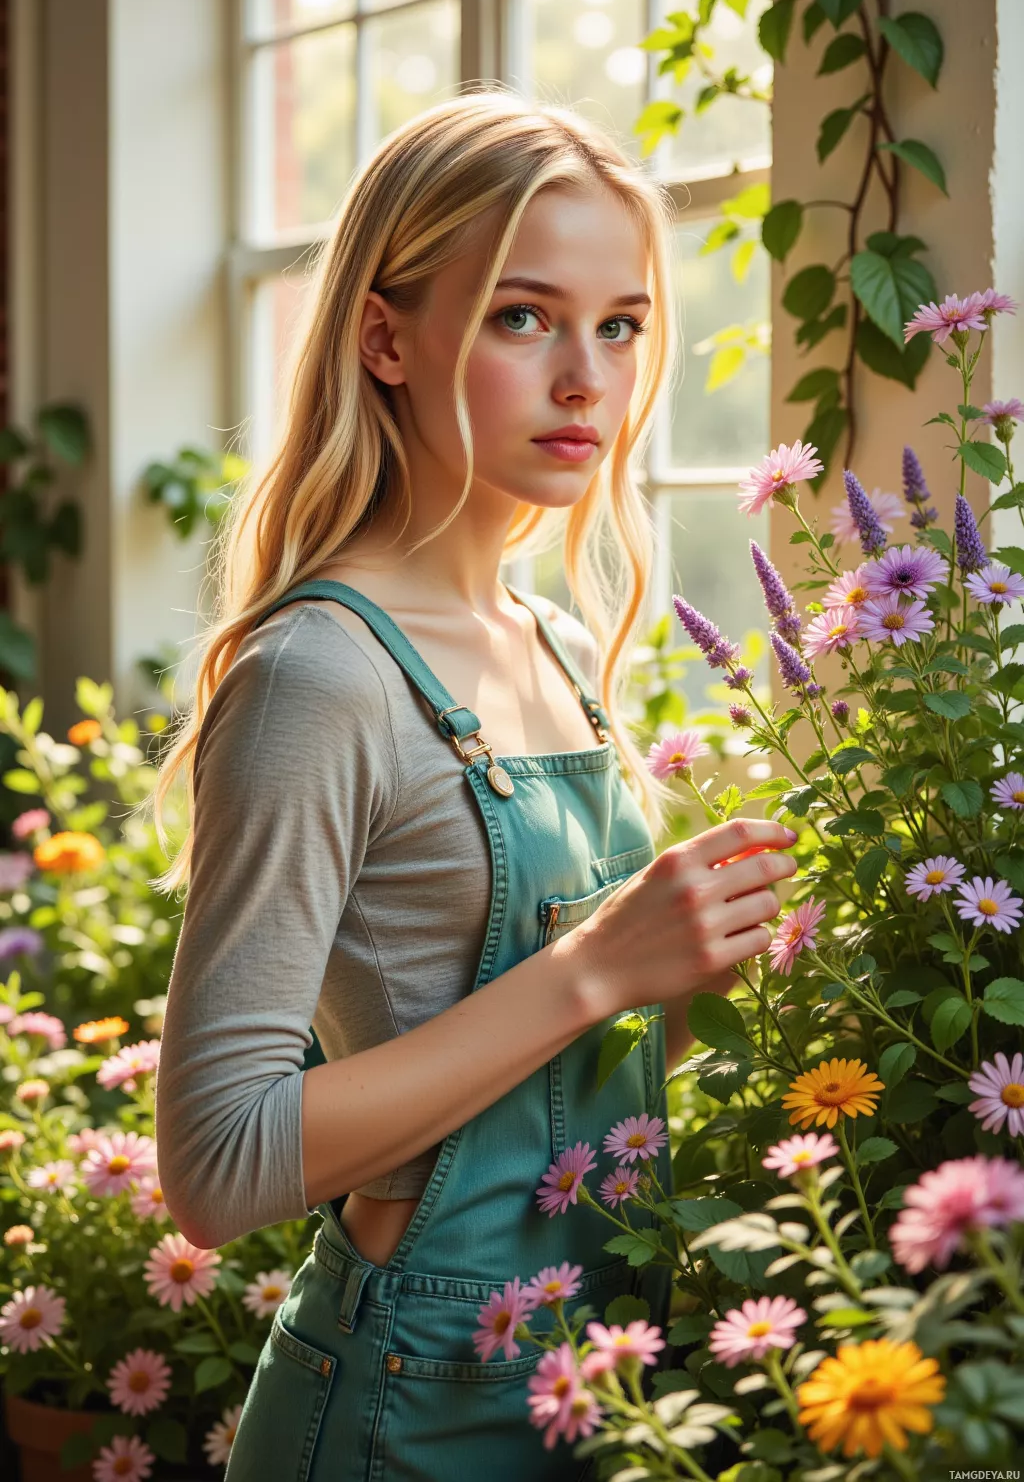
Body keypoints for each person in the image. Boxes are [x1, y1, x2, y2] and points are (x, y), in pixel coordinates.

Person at [149, 88, 799, 1481]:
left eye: (620, 325)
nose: (589, 379)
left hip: (597, 1372)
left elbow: (547, 1087)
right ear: (386, 337)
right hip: (406, 1404)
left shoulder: (553, 644)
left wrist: (701, 972)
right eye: (524, 317)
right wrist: (592, 969)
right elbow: (217, 1167)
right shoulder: (320, 673)